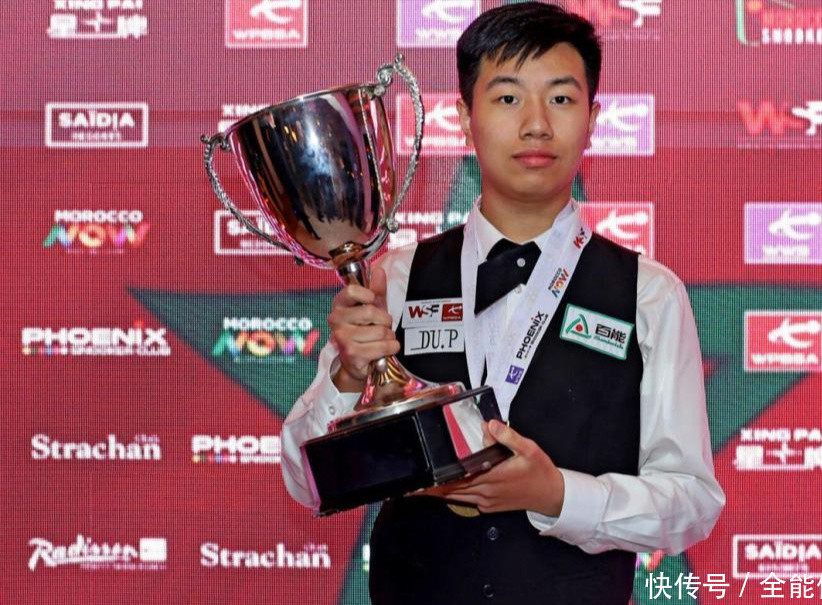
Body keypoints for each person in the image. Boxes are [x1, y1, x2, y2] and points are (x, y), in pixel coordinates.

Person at [280, 3, 725, 604]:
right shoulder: (394, 280)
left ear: (593, 119)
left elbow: (691, 502)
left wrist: (557, 495)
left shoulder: (649, 294)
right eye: (508, 98)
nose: (536, 124)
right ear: (466, 119)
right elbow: (306, 482)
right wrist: (347, 376)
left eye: (561, 99)